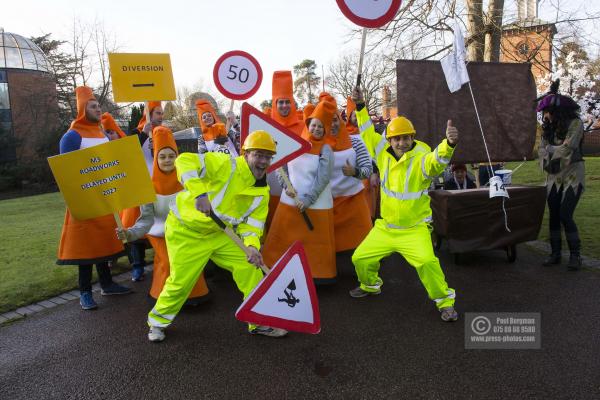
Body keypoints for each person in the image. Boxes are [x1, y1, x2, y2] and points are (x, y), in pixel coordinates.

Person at [146, 130, 287, 342]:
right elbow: (185, 161)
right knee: (181, 283)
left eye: (268, 156)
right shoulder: (224, 164)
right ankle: (157, 323)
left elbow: (253, 225)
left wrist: (252, 246)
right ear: (246, 153)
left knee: (250, 268)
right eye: (258, 154)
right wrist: (199, 193)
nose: (263, 161)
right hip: (187, 232)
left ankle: (258, 321)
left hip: (221, 234)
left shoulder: (262, 191)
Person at [349, 87, 459, 322]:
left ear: (413, 137)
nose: (401, 142)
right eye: (397, 138)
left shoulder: (422, 157)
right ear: (389, 139)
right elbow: (367, 132)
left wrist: (448, 145)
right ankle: (370, 285)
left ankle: (445, 302)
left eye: (406, 137)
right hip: (386, 228)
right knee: (360, 258)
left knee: (428, 262)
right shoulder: (382, 151)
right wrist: (360, 107)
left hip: (414, 229)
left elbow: (436, 162)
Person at [57, 86, 131, 310]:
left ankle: (107, 284)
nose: (98, 109)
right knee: (86, 248)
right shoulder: (72, 136)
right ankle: (85, 292)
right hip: (85, 202)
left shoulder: (100, 134)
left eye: (99, 106)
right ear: (82, 109)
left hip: (105, 201)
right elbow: (66, 172)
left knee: (103, 243)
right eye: (93, 106)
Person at [116, 126, 209, 303]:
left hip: (184, 233)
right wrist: (129, 233)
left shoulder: (187, 181)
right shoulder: (148, 188)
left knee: (190, 259)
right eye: (162, 156)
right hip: (159, 233)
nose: (167, 160)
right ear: (156, 158)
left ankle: (194, 295)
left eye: (171, 156)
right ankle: (163, 297)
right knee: (168, 262)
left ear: (177, 157)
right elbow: (146, 221)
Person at [263, 100, 336, 282]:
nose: (317, 129)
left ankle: (317, 275)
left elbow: (323, 177)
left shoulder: (326, 150)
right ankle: (278, 269)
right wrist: (286, 186)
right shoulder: (297, 144)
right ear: (308, 125)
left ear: (325, 129)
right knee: (284, 240)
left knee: (314, 245)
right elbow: (282, 166)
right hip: (290, 202)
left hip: (316, 204)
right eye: (314, 125)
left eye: (321, 127)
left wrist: (309, 200)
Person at [536, 90, 585, 270]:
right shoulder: (548, 128)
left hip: (573, 174)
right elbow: (541, 151)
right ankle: (555, 254)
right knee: (554, 215)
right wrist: (549, 152)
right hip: (553, 176)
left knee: (565, 214)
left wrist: (550, 149)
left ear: (557, 111)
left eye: (547, 111)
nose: (545, 116)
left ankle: (575, 256)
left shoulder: (576, 123)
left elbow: (569, 147)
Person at [322, 92, 373, 252]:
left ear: (340, 119)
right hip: (329, 207)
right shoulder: (316, 146)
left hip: (354, 206)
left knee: (362, 251)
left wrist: (355, 172)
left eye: (335, 120)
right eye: (328, 121)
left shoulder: (356, 141)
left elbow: (368, 169)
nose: (333, 125)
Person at [122, 101, 164, 281]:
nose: (161, 117)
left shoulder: (163, 133)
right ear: (149, 114)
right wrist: (144, 134)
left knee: (161, 225)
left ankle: (161, 262)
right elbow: (127, 154)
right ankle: (137, 266)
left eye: (162, 114)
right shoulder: (136, 133)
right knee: (137, 225)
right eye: (158, 114)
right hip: (140, 186)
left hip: (160, 187)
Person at [265, 71, 305, 231]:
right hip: (272, 186)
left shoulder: (303, 127)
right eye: (280, 102)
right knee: (275, 227)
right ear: (275, 104)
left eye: (287, 102)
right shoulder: (266, 127)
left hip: (297, 185)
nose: (284, 106)